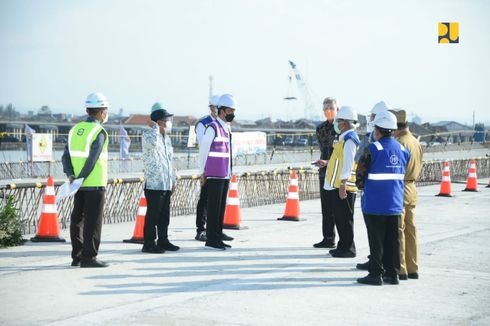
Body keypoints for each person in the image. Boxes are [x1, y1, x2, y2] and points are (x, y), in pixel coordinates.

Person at [356, 111, 410, 285]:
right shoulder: (403, 150)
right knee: (393, 240)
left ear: (377, 131)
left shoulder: (372, 149)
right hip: (394, 202)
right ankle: (392, 274)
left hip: (374, 203)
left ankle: (375, 274)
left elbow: (360, 175)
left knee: (376, 240)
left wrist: (361, 186)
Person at [62, 92, 110, 268]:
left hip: (77, 184)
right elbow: (93, 159)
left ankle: (77, 256)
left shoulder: (74, 130)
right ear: (101, 112)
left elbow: (66, 156)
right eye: (105, 110)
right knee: (93, 222)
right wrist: (82, 177)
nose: (106, 113)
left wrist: (71, 175)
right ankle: (89, 258)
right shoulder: (99, 131)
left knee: (77, 219)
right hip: (94, 183)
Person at [355, 100, 392, 270]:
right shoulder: (369, 137)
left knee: (379, 231)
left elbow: (360, 161)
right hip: (380, 192)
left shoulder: (377, 142)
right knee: (374, 231)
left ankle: (379, 265)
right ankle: (375, 259)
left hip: (377, 193)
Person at [199, 94, 237, 250]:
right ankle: (211, 239)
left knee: (221, 208)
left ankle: (218, 236)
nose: (232, 114)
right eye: (230, 110)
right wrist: (202, 172)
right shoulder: (213, 128)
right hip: (214, 174)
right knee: (213, 208)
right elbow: (204, 151)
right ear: (222, 111)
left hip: (225, 173)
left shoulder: (226, 128)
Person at [141, 103, 179, 254]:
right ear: (158, 122)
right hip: (154, 183)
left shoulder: (167, 139)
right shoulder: (149, 135)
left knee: (164, 216)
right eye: (166, 120)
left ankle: (163, 240)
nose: (169, 122)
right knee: (153, 216)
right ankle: (149, 243)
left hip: (166, 183)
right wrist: (155, 128)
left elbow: (170, 161)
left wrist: (173, 181)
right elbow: (152, 143)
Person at [324, 106, 360, 258]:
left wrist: (343, 184)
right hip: (338, 184)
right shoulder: (344, 138)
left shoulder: (350, 140)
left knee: (345, 219)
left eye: (338, 122)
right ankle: (342, 245)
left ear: (344, 123)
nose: (336, 125)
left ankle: (348, 249)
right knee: (340, 217)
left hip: (344, 186)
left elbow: (348, 163)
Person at [391, 109, 423, 280]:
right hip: (412, 188)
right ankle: (413, 267)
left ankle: (401, 268)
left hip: (400, 188)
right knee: (411, 229)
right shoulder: (415, 141)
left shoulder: (399, 143)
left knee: (399, 230)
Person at [312, 97, 339, 248]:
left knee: (340, 211)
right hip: (325, 172)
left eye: (331, 108)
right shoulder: (320, 128)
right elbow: (324, 150)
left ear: (337, 109)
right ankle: (328, 238)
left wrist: (329, 162)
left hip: (338, 172)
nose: (328, 111)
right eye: (325, 109)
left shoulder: (342, 128)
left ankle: (345, 242)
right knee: (326, 208)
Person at [194, 95, 219, 242]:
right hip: (208, 168)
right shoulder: (203, 124)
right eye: (215, 107)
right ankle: (201, 230)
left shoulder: (224, 124)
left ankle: (215, 229)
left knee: (216, 200)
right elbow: (204, 147)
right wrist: (202, 171)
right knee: (204, 199)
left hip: (220, 169)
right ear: (211, 108)